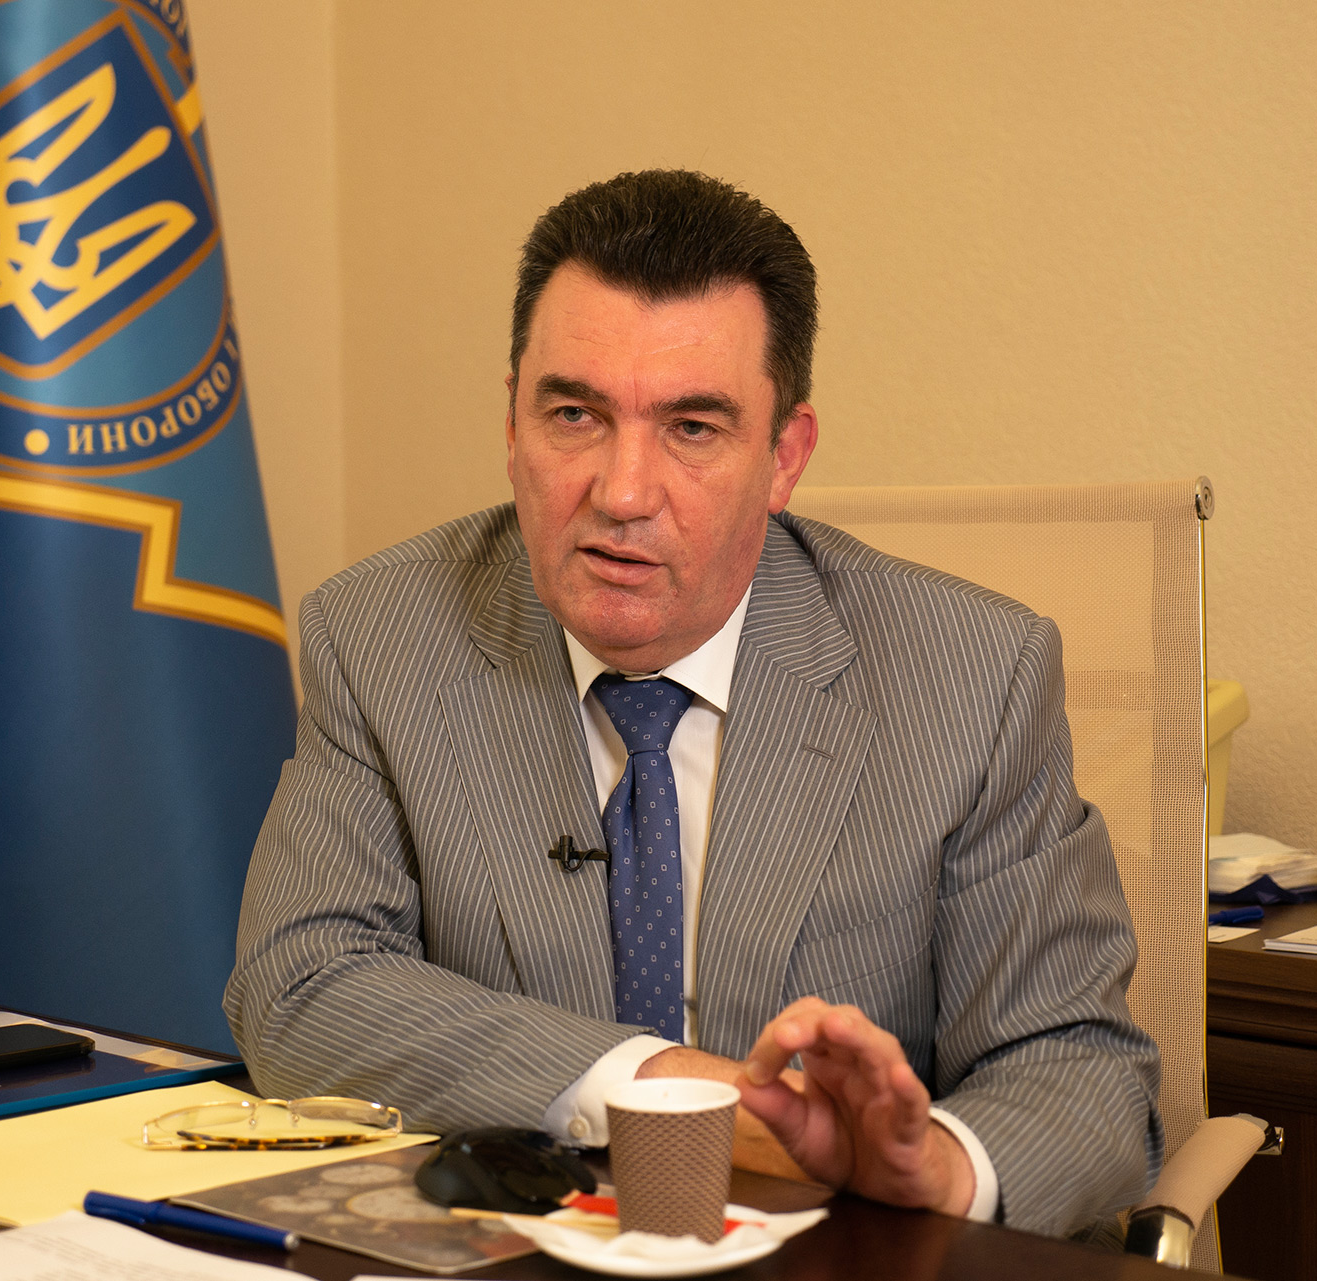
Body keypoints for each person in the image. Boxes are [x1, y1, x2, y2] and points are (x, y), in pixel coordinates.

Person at [226, 170, 1161, 1238]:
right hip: (518, 1243)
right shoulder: (382, 636)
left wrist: (936, 1170)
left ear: (784, 457)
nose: (623, 493)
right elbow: (300, 983)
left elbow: (1081, 1070)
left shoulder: (974, 676)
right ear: (513, 422)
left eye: (693, 428)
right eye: (574, 414)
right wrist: (668, 1087)